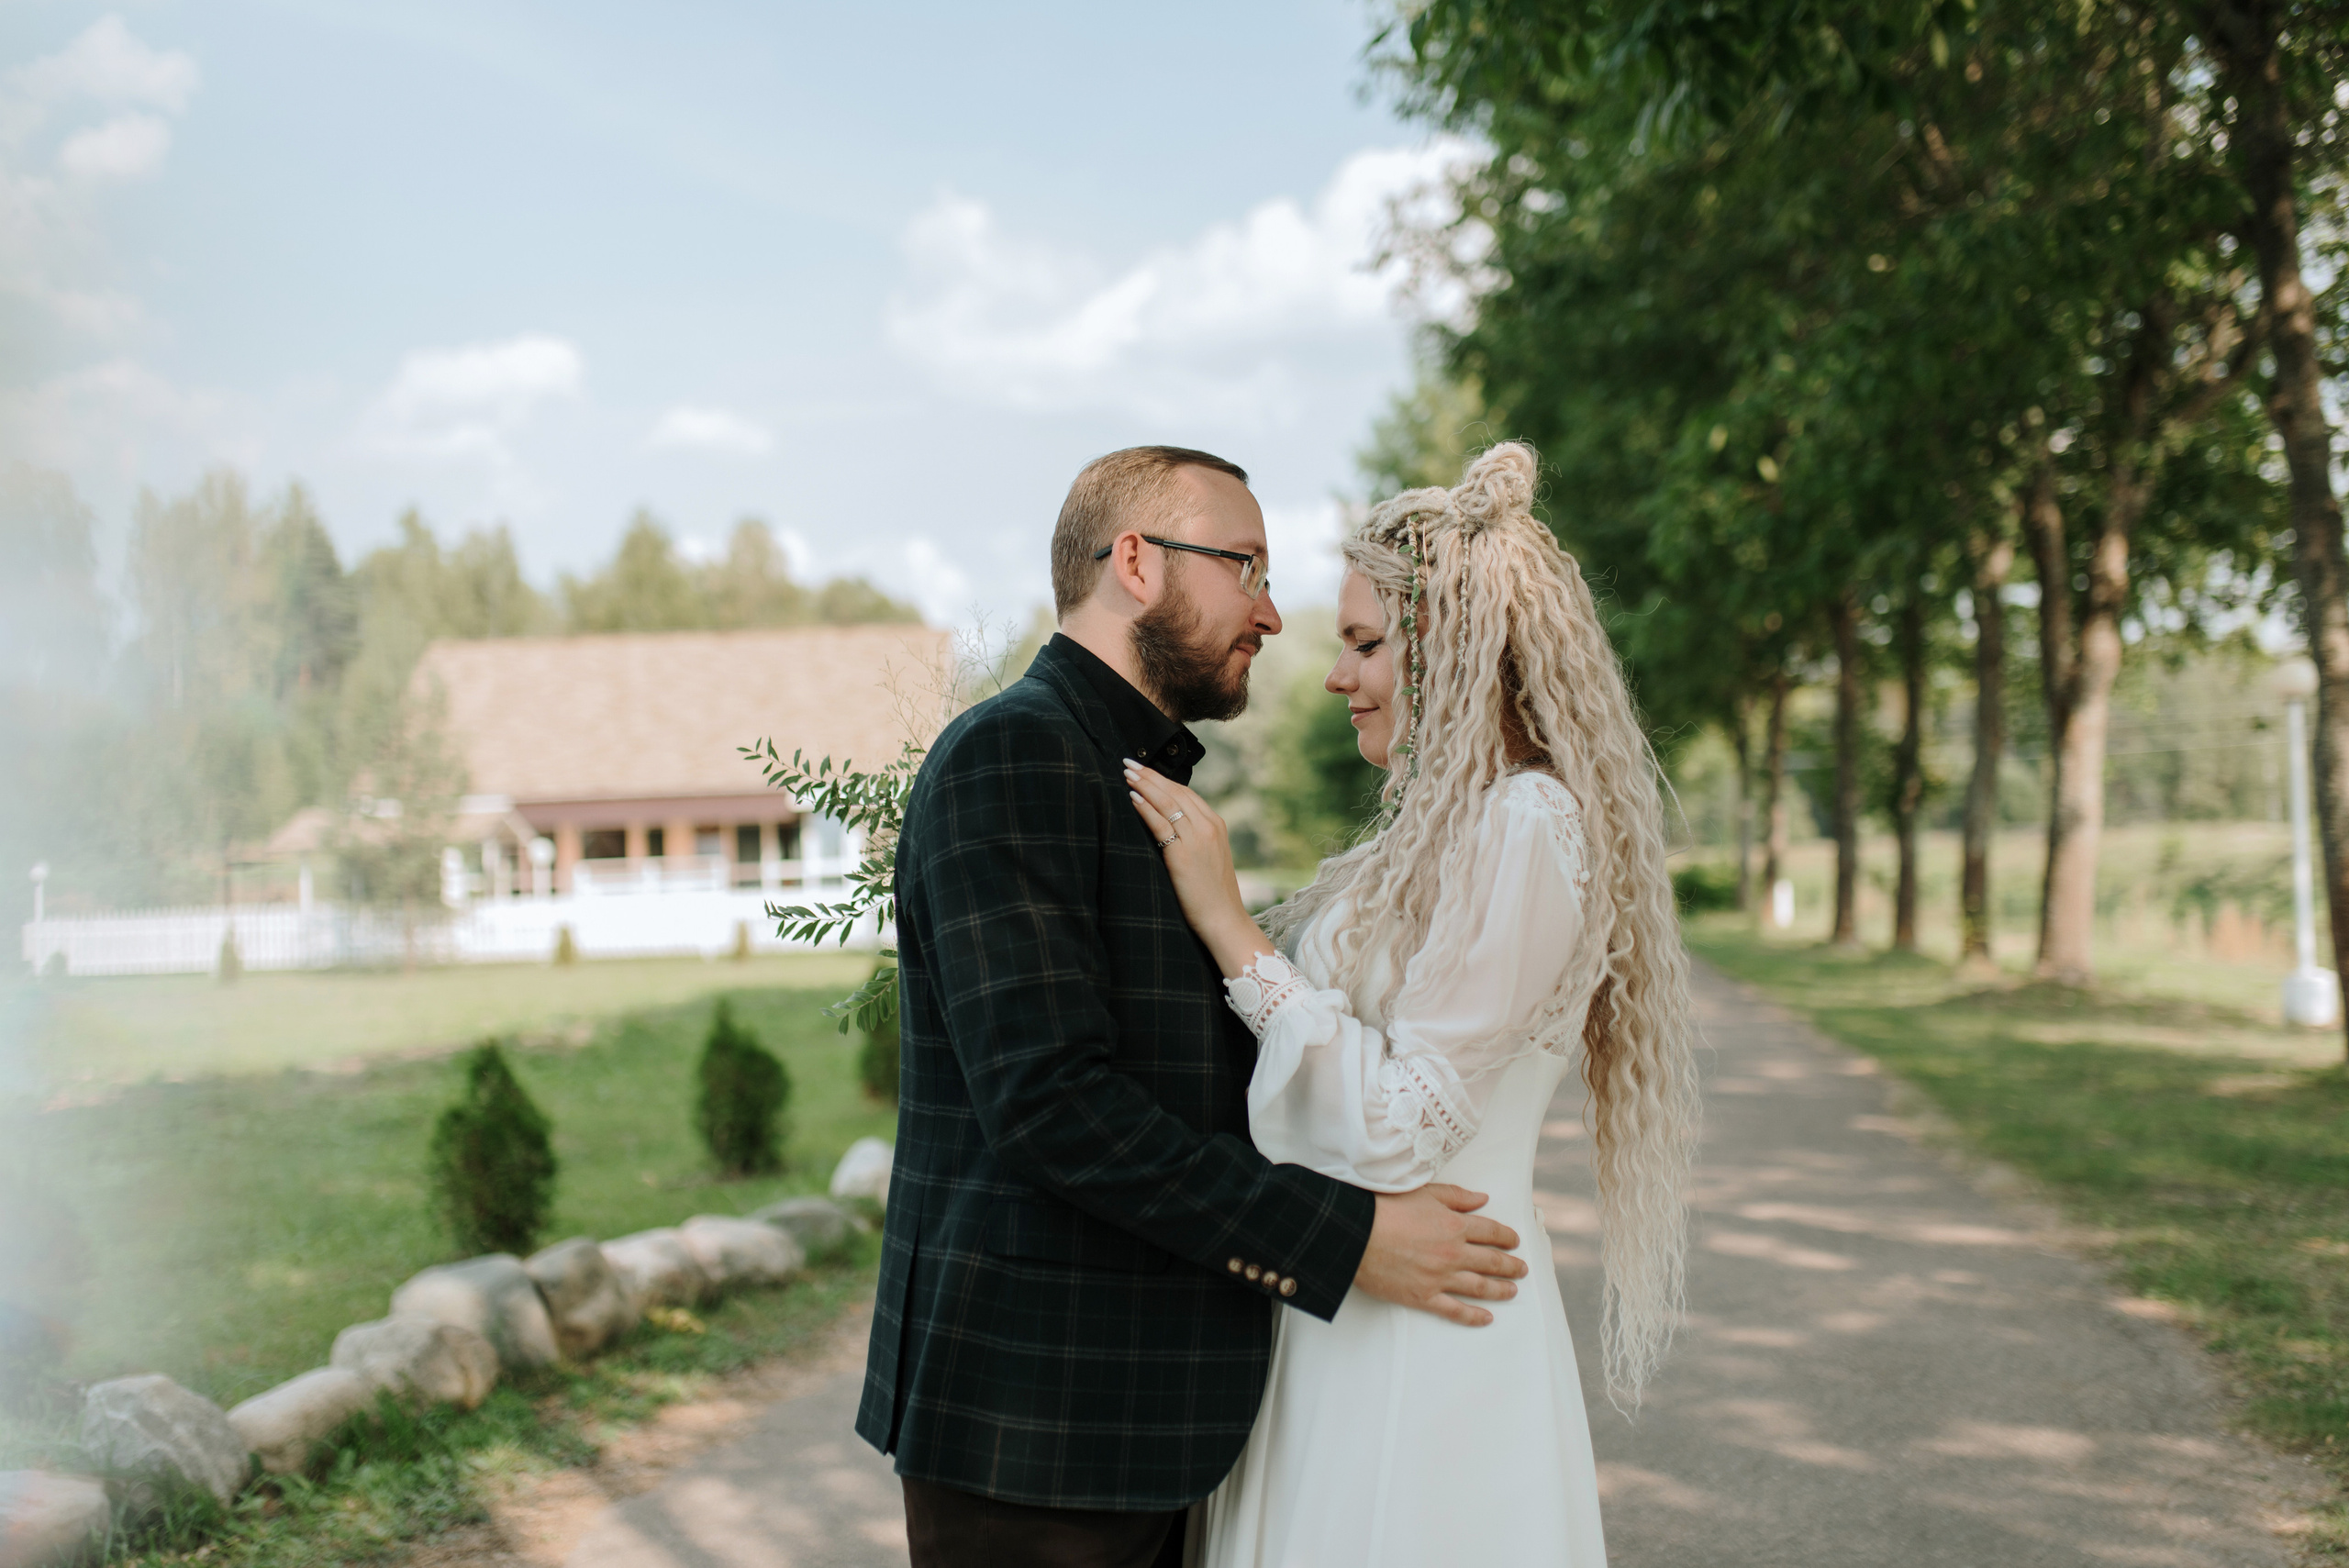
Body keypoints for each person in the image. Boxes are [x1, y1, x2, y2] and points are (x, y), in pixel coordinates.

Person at [861, 445, 1533, 1568]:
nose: (1272, 612)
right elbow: (1050, 1102)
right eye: (1244, 566)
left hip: (1148, 1422)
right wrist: (1346, 1238)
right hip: (1039, 1426)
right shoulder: (1011, 754)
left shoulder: (1131, 770)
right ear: (1134, 560)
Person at [1123, 441, 1702, 1567]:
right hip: (1345, 1296)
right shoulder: (1428, 831)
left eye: (1365, 643)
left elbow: (1401, 1119)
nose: (1337, 674)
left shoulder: (1528, 826)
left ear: (1454, 653)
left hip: (1432, 1317)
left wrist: (1231, 927)